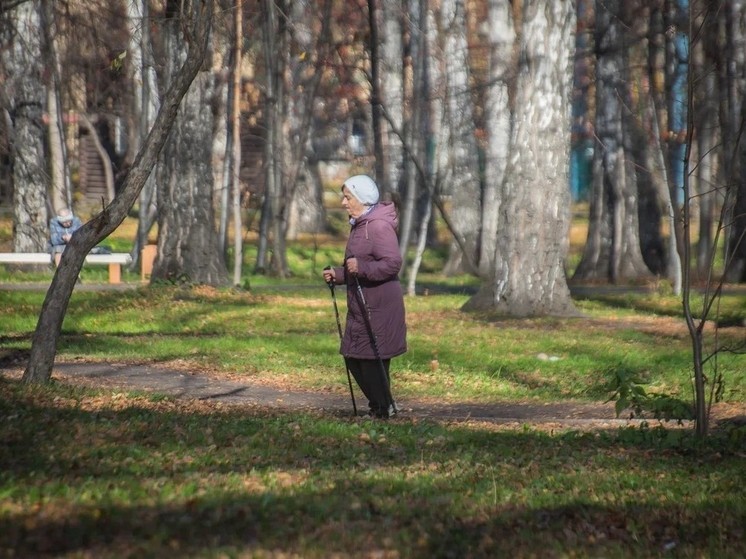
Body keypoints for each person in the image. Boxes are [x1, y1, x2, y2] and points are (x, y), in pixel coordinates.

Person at [323, 175, 407, 418]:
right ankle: (381, 406)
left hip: (379, 306)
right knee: (354, 358)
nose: (343, 202)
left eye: (348, 197)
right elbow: (358, 264)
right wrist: (338, 275)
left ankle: (382, 409)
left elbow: (392, 263)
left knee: (371, 361)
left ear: (361, 199)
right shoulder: (361, 225)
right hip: (362, 305)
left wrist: (362, 268)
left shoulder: (378, 226)